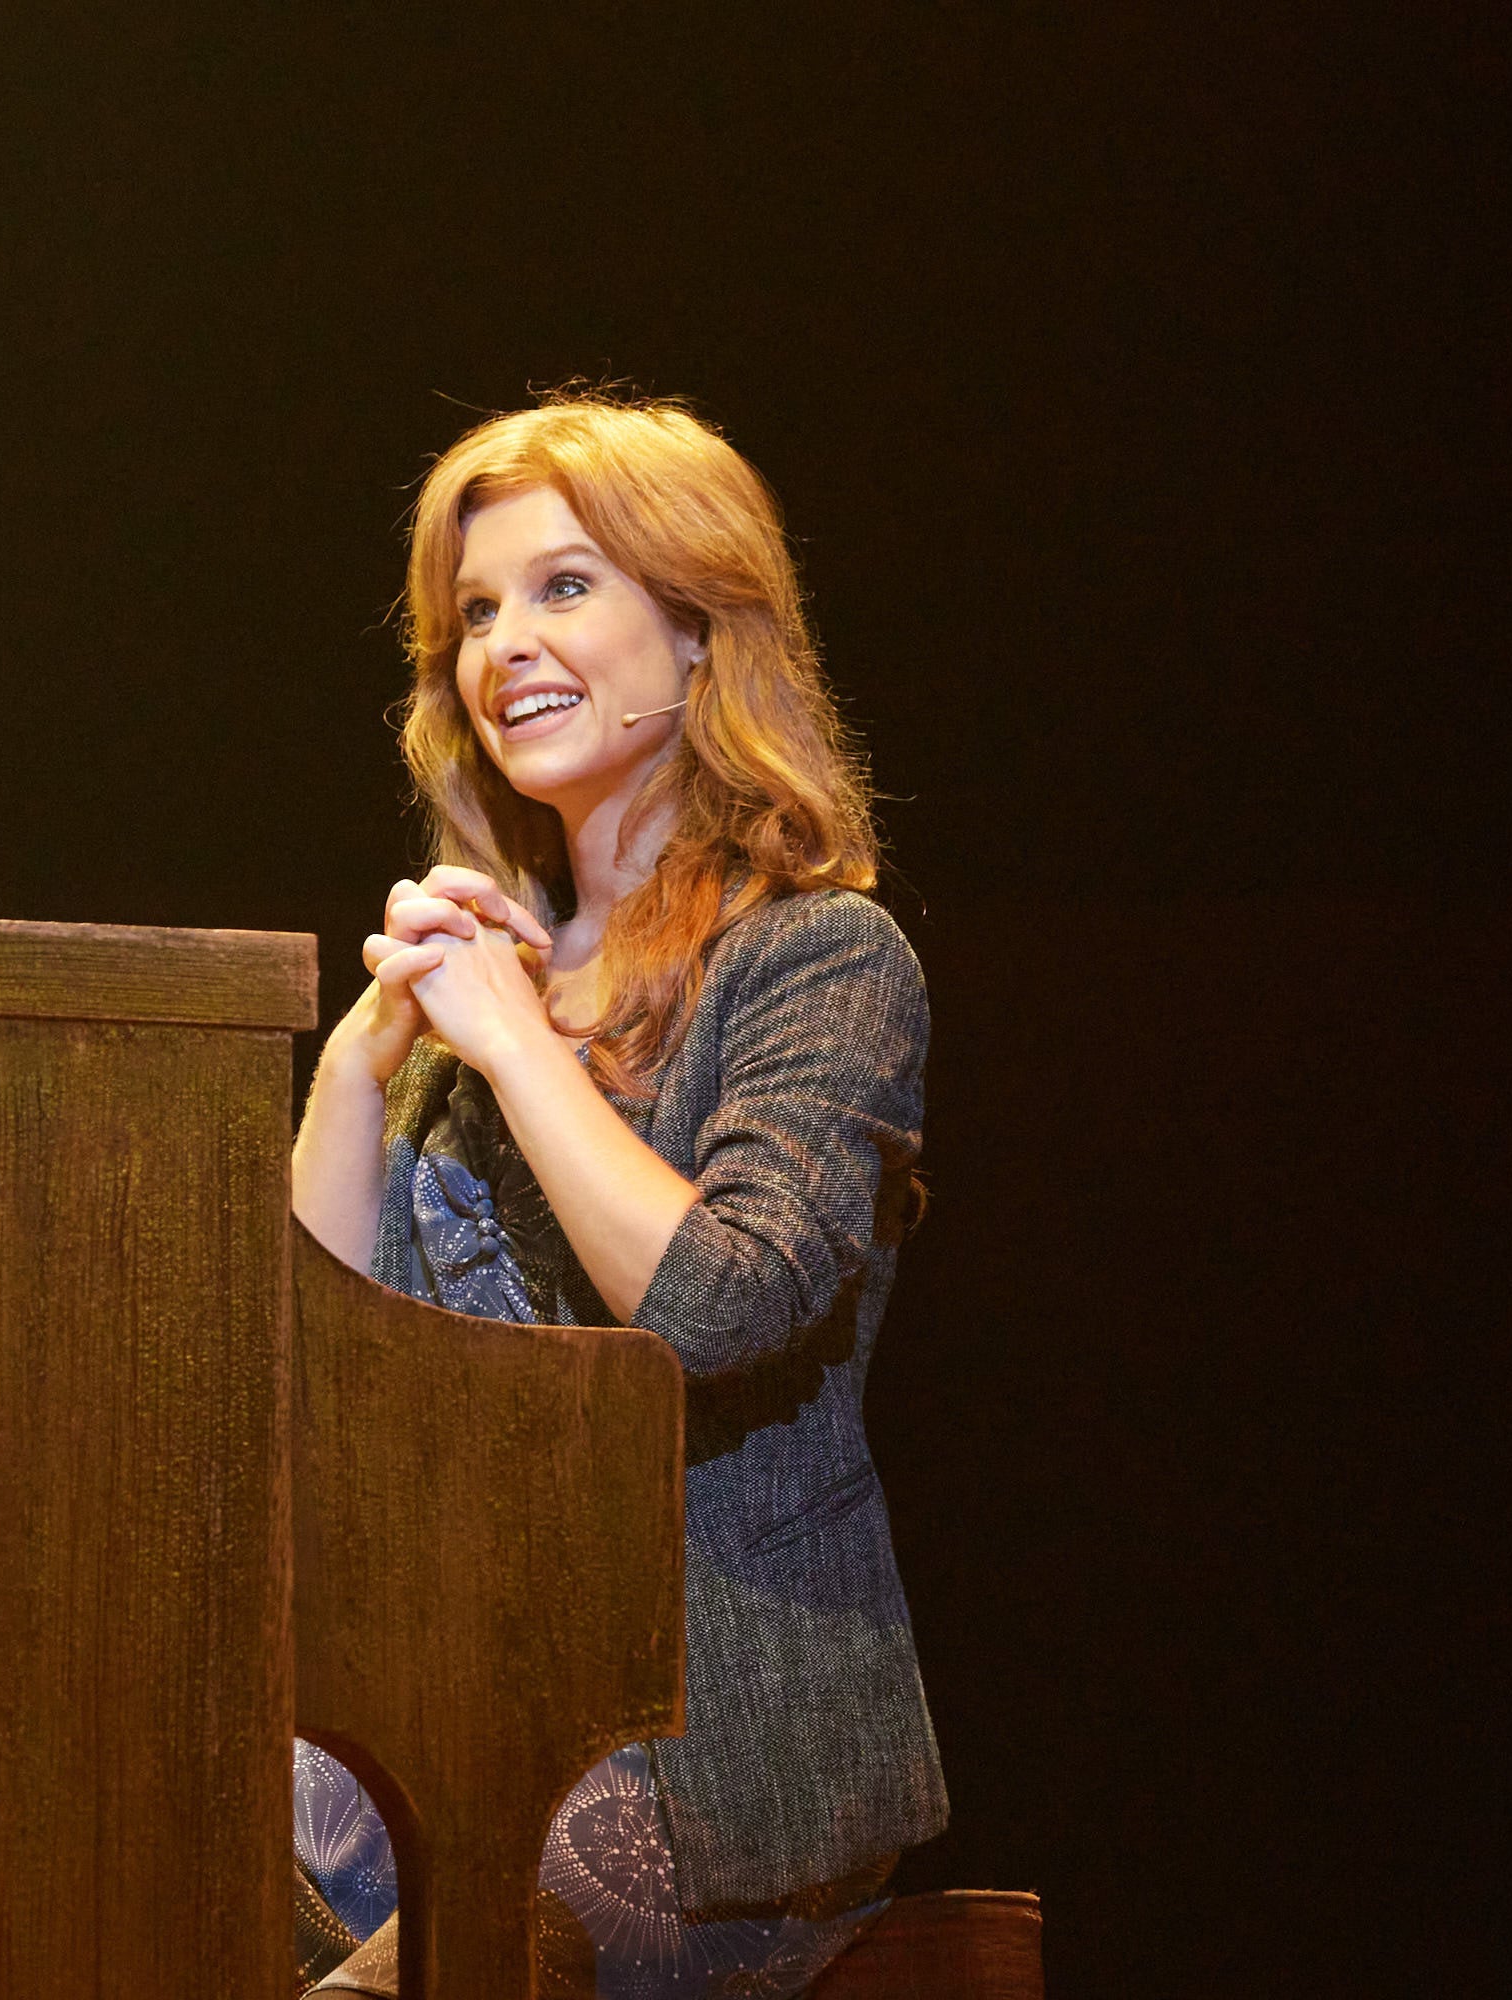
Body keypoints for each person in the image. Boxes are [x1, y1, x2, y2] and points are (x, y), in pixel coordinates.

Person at [287, 393, 948, 1999]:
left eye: (565, 587)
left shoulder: (819, 956)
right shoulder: (479, 994)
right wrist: (360, 1066)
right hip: (439, 1704)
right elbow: (306, 1357)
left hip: (704, 1757)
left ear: (703, 630)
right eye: (475, 612)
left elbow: (718, 1306)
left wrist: (519, 1047)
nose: (504, 643)